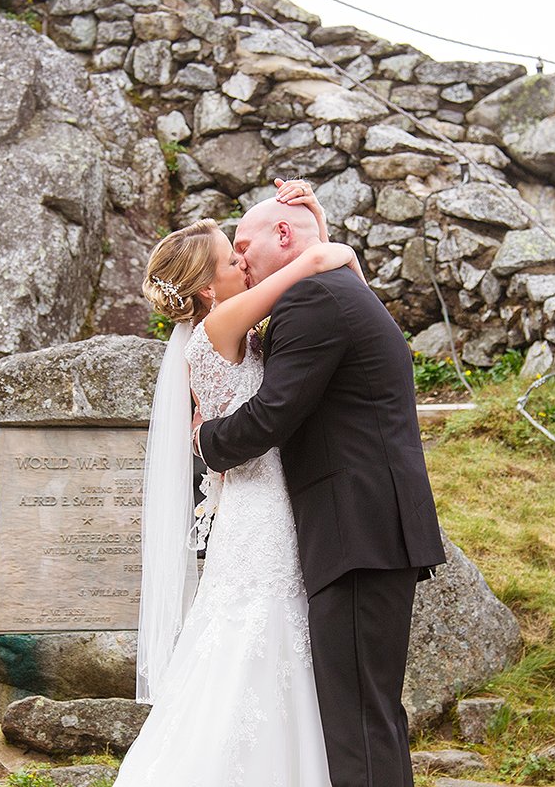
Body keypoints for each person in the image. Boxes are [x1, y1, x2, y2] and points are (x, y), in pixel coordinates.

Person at [194, 185, 448, 787]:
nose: (242, 259)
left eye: (246, 245)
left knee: (359, 722)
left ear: (284, 237)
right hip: (368, 528)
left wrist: (203, 443)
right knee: (366, 714)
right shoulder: (335, 290)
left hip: (356, 530)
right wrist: (320, 229)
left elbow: (272, 416)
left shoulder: (313, 299)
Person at [114, 180, 362, 786]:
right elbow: (308, 270)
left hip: (266, 500)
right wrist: (320, 243)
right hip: (263, 508)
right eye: (232, 259)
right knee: (259, 635)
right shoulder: (219, 326)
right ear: (206, 287)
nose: (243, 262)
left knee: (259, 640)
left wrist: (312, 222)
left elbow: (314, 294)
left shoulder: (229, 329)